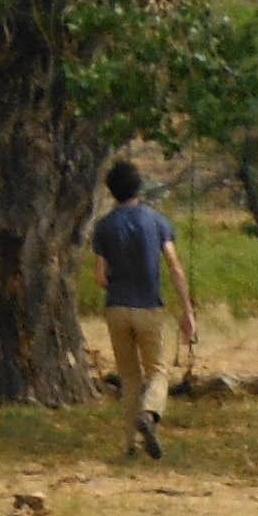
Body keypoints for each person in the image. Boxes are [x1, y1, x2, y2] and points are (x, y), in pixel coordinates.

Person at [85, 159, 200, 458]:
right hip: (150, 307)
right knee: (158, 372)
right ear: (139, 187)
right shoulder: (158, 221)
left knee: (129, 377)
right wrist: (187, 310)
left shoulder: (104, 226)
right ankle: (149, 414)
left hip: (117, 309)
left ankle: (130, 445)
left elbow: (100, 276)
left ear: (112, 191)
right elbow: (174, 266)